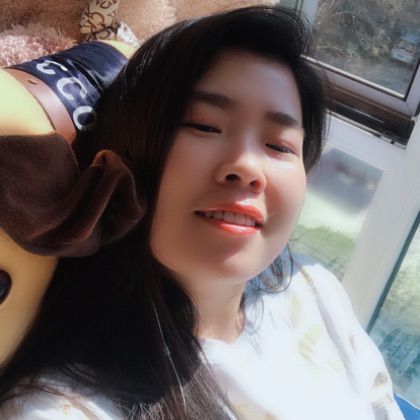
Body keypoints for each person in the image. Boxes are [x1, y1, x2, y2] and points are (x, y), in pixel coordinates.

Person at [0, 6, 404, 420]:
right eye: (205, 126)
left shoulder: (314, 290)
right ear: (126, 155)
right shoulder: (61, 408)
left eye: (280, 146)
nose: (247, 167)